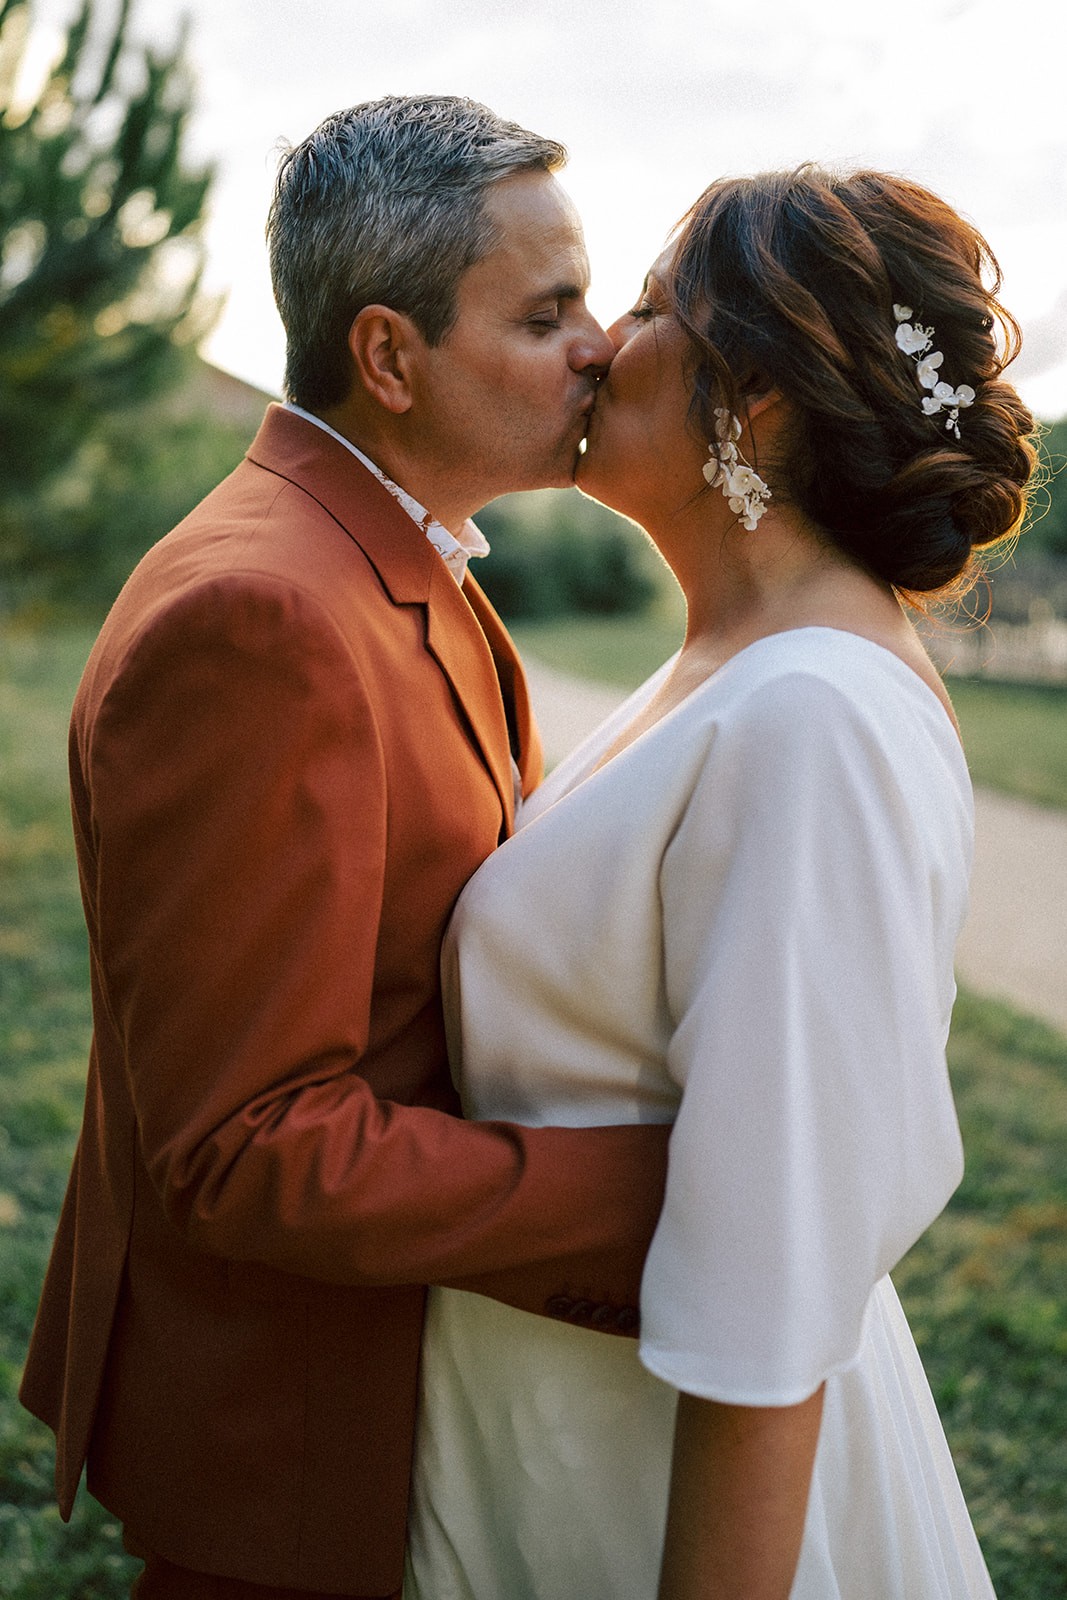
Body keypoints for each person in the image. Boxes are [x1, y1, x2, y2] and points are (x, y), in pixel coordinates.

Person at [18, 96, 673, 1600]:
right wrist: (661, 1190)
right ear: (388, 355)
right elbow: (245, 1147)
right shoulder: (260, 623)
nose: (603, 347)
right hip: (298, 1438)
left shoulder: (382, 553)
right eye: (549, 311)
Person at [403, 166, 1036, 1599]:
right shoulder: (731, 662)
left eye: (641, 308)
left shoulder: (816, 717)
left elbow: (772, 1281)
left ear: (751, 404)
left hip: (690, 1498)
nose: (597, 346)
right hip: (555, 1441)